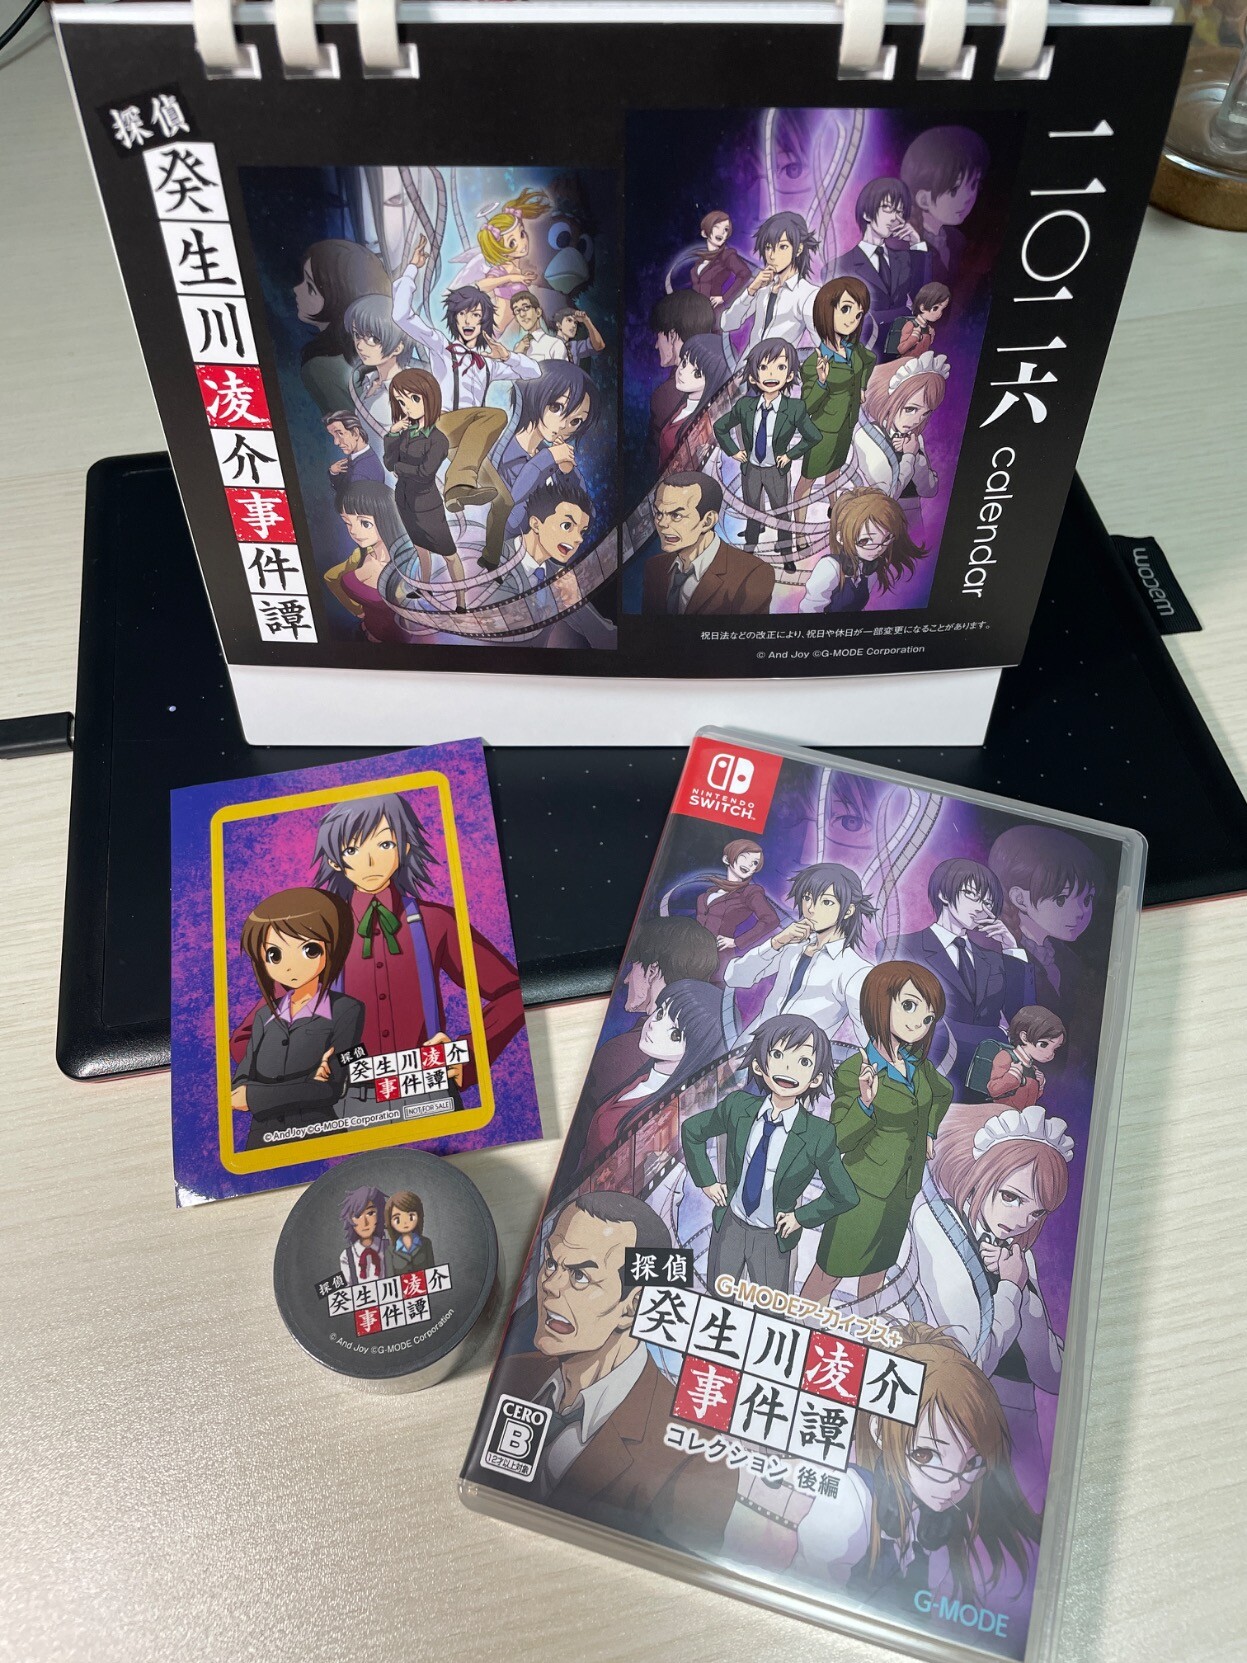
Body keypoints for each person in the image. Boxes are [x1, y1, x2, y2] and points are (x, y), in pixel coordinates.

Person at [487, 1192, 739, 1551]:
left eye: (580, 1276)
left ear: (632, 1306)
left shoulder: (698, 1456)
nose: (549, 1285)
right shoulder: (511, 1374)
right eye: (551, 1263)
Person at [884, 1103, 1072, 1502]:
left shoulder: (1017, 1256)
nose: (1020, 1221)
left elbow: (1052, 1374)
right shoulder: (933, 1227)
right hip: (946, 1425)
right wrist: (1010, 1291)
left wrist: (1021, 1292)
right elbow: (967, 1365)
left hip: (1014, 1425)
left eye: (1035, 1212)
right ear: (981, 1173)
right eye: (1010, 1197)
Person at [791, 1324, 1039, 1610]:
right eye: (925, 1455)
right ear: (879, 1431)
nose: (955, 1484)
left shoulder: (932, 1519)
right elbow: (811, 1591)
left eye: (972, 1462)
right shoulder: (852, 1500)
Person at [313, 793, 525, 1106]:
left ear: (404, 847)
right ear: (334, 860)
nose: (370, 862)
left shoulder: (437, 921)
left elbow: (512, 992)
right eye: (352, 850)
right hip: (347, 1096)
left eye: (384, 844)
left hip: (429, 1086)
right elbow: (274, 1017)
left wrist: (468, 1054)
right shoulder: (320, 932)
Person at [801, 960, 951, 1302]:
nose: (919, 1022)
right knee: (830, 1270)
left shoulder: (918, 1066)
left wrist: (929, 1131)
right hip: (862, 1190)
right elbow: (837, 1138)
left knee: (877, 1270)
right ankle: (799, 1322)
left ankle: (864, 1322)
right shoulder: (854, 1070)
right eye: (909, 1006)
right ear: (879, 1003)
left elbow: (943, 1094)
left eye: (929, 1017)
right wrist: (865, 1104)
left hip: (903, 1189)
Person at [682, 1014, 858, 1293]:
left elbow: (845, 1194)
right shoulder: (738, 1106)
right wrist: (707, 1181)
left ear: (816, 1079)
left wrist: (800, 1217)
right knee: (717, 1300)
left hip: (773, 1239)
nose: (788, 1068)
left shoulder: (818, 1134)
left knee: (770, 1311)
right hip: (730, 1226)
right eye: (777, 1055)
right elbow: (692, 1130)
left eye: (804, 1062)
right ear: (758, 1065)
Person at [392, 246, 540, 516]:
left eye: (475, 315)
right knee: (494, 416)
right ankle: (457, 482)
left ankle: (458, 494)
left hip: (466, 439)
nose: (468, 320)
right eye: (462, 314)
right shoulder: (441, 347)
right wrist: (412, 269)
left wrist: (507, 356)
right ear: (455, 318)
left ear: (484, 322)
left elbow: (534, 372)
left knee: (504, 502)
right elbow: (401, 315)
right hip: (441, 425)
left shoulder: (489, 364)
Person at [230, 887, 363, 1151]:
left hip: (318, 1135)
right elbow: (239, 1085)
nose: (290, 966)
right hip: (262, 1140)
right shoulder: (264, 1015)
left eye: (309, 950)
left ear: (331, 947)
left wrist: (255, 1096)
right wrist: (303, 1084)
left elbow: (329, 1089)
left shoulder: (347, 1010)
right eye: (275, 955)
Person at [891, 856, 1025, 1096]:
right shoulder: (902, 947)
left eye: (988, 902)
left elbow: (1024, 1021)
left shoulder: (994, 959)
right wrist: (995, 1034)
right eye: (973, 896)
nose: (982, 908)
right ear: (944, 894)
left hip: (986, 1084)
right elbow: (907, 1022)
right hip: (925, 1079)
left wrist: (1011, 948)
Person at [576, 915, 720, 1117]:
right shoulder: (712, 1039)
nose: (626, 979)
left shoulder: (622, 1052)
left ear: (652, 971)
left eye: (632, 967)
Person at [580, 978, 726, 1169]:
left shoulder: (668, 1115)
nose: (654, 1025)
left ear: (697, 1051)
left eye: (675, 1034)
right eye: (660, 1012)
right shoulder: (641, 1077)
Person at [724, 861, 875, 1046]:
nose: (811, 909)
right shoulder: (791, 945)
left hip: (794, 1058)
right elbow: (734, 977)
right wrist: (776, 943)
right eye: (807, 897)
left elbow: (867, 1035)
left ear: (848, 911)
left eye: (826, 902)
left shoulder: (856, 970)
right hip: (748, 1048)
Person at [713, 337, 820, 566]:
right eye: (763, 367)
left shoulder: (795, 408)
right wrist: (734, 452)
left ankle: (786, 555)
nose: (771, 374)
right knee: (753, 513)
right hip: (751, 470)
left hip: (776, 471)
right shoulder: (744, 406)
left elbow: (813, 436)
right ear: (753, 376)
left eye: (780, 367)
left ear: (789, 375)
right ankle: (749, 551)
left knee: (782, 514)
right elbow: (720, 427)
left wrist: (790, 455)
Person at [988, 825, 1102, 1017]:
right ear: (1020, 898)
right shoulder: (994, 955)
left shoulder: (1068, 960)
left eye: (1087, 899)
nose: (1081, 912)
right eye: (1061, 899)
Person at [794, 277, 874, 534]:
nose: (853, 320)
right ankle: (799, 530)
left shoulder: (854, 349)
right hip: (822, 432)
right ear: (826, 311)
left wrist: (861, 387)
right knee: (807, 481)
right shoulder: (814, 363)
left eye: (858, 314)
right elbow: (807, 407)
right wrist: (821, 381)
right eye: (846, 309)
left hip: (846, 425)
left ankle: (833, 505)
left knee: (835, 471)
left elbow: (869, 361)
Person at [494, 360, 601, 550]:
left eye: (575, 421)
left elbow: (587, 518)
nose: (563, 425)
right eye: (556, 408)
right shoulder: (501, 454)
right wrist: (546, 461)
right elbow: (508, 525)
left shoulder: (553, 457)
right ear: (535, 393)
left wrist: (568, 474)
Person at [842, 352, 949, 541]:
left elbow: (929, 490)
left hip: (913, 520)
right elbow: (886, 496)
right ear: (888, 398)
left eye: (925, 413)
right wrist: (909, 457)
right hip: (878, 526)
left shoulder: (914, 438)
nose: (916, 420)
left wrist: (916, 457)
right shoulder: (866, 436)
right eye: (910, 409)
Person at [326, 478, 447, 644]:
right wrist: (356, 610)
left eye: (365, 523)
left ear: (388, 519)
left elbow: (424, 617)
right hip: (362, 634)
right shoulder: (359, 555)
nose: (353, 531)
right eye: (347, 522)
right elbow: (331, 577)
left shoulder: (408, 566)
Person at [642, 472, 774, 616]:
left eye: (676, 515)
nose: (662, 523)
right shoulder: (654, 568)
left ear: (707, 521)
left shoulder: (751, 575)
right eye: (658, 513)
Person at [382, 368, 460, 594]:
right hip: (404, 501)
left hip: (427, 506)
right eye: (401, 401)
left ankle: (461, 600)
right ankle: (424, 588)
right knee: (420, 549)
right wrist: (392, 434)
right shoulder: (407, 432)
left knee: (449, 555)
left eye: (414, 399)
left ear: (430, 397)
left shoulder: (438, 440)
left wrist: (400, 468)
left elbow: (424, 473)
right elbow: (389, 462)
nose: (407, 407)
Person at [293, 238, 391, 414]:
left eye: (310, 287)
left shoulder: (320, 368)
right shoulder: (382, 355)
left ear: (338, 298)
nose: (296, 289)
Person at [834, 178, 931, 345]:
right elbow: (845, 321)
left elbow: (925, 303)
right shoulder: (840, 266)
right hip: (863, 351)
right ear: (867, 213)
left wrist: (916, 244)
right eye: (887, 209)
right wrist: (904, 312)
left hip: (904, 348)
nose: (895, 218)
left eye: (900, 211)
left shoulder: (905, 258)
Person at [800, 487, 925, 614]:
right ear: (841, 538)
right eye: (865, 541)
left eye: (887, 538)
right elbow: (809, 611)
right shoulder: (830, 567)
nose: (879, 548)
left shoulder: (870, 569)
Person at [718, 210, 819, 351]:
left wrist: (797, 361)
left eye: (782, 247)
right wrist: (751, 290)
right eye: (768, 247)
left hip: (778, 364)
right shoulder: (762, 286)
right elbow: (727, 324)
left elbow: (822, 343)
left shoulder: (808, 294)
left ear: (798, 249)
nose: (772, 255)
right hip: (746, 363)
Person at [900, 126, 989, 285]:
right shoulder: (901, 246)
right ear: (923, 199)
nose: (968, 197)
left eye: (974, 184)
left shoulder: (956, 240)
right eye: (954, 189)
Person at [695, 838, 782, 983]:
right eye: (744, 857)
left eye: (755, 863)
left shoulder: (750, 892)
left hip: (719, 962)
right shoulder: (705, 896)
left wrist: (737, 941)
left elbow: (771, 919)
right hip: (695, 958)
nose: (750, 864)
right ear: (727, 859)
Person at [647, 289, 718, 454]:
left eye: (659, 336)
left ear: (672, 336)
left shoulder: (665, 395)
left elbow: (655, 456)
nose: (656, 345)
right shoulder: (720, 373)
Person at [344, 293, 416, 442]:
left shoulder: (411, 389)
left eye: (372, 339)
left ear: (398, 347)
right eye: (357, 335)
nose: (359, 345)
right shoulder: (369, 381)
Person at [656, 333, 730, 473]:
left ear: (712, 381)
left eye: (697, 373)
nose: (683, 371)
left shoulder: (705, 425)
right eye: (684, 362)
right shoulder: (683, 407)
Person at [966, 1005, 1066, 1108]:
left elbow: (1030, 1099)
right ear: (1024, 1037)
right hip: (1000, 1113)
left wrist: (1039, 1086)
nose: (1050, 1054)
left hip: (1022, 1115)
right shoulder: (1006, 1057)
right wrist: (1012, 1076)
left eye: (1055, 1049)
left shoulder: (1033, 1069)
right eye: (1043, 1044)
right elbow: (993, 1089)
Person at [688, 209, 754, 313]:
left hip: (713, 313)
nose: (722, 232)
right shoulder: (699, 263)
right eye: (717, 226)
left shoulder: (727, 255)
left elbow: (745, 273)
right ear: (704, 233)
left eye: (726, 229)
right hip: (696, 313)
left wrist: (724, 297)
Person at [324, 409, 385, 506]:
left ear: (355, 433)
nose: (336, 442)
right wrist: (333, 473)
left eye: (340, 433)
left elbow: (348, 500)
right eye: (334, 436)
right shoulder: (359, 457)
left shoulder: (362, 472)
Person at [339, 1185, 389, 1286]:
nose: (365, 1222)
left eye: (370, 1213)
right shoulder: (347, 1256)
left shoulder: (390, 1247)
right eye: (357, 1216)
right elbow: (348, 1290)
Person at [891, 282, 952, 362]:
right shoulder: (910, 325)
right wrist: (914, 337)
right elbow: (901, 349)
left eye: (942, 309)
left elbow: (924, 349)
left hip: (920, 364)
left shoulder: (928, 328)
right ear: (922, 307)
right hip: (906, 365)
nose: (940, 313)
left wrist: (930, 336)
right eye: (935, 308)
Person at [510, 289, 568, 362]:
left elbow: (561, 369)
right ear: (516, 318)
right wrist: (516, 355)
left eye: (526, 307)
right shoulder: (518, 347)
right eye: (517, 311)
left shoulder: (555, 344)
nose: (522, 314)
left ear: (538, 312)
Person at [386, 1190, 435, 1276]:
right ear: (390, 1222)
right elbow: (390, 1279)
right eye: (397, 1219)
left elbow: (432, 1272)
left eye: (411, 1216)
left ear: (418, 1216)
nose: (405, 1222)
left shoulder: (426, 1243)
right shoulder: (390, 1250)